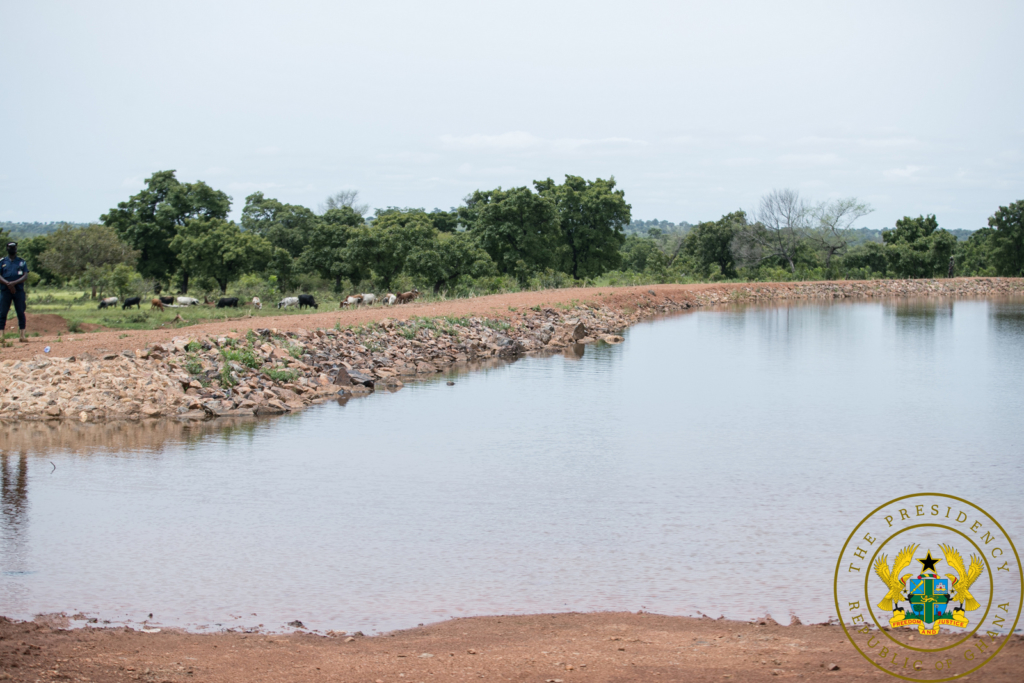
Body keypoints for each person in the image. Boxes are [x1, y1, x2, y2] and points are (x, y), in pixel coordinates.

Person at [0, 241, 30, 343]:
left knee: (20, 312)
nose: (12, 249)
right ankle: (1, 336)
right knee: (2, 312)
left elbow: (25, 276)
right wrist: (8, 284)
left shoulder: (22, 262)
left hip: (18, 291)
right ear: (7, 249)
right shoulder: (2, 262)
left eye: (13, 248)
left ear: (16, 249)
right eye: (10, 247)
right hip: (5, 291)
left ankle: (22, 335)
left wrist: (13, 283)